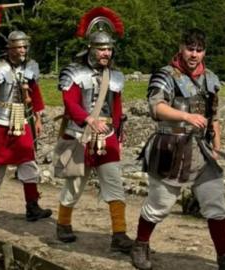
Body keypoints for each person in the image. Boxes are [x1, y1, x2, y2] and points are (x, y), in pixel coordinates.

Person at [131, 28, 225, 270]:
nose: (194, 54)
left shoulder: (210, 78)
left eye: (199, 50)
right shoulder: (166, 75)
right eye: (190, 49)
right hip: (170, 148)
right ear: (181, 47)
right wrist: (186, 115)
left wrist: (216, 146)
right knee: (159, 205)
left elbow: (214, 116)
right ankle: (140, 245)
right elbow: (156, 108)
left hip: (201, 150)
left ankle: (224, 258)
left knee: (216, 206)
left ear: (205, 52)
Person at [54, 7, 133, 253]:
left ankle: (119, 234)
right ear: (91, 48)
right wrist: (88, 119)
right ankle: (63, 224)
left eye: (109, 49)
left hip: (106, 135)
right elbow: (70, 103)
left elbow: (116, 108)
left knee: (114, 183)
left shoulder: (116, 76)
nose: (106, 53)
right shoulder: (74, 72)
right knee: (75, 184)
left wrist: (118, 132)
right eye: (101, 49)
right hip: (79, 135)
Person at [0, 30, 52, 221]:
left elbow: (35, 94)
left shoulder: (31, 67)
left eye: (25, 46)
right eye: (19, 47)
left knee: (28, 163)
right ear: (10, 49)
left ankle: (32, 207)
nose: (23, 50)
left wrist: (38, 118)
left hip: (23, 120)